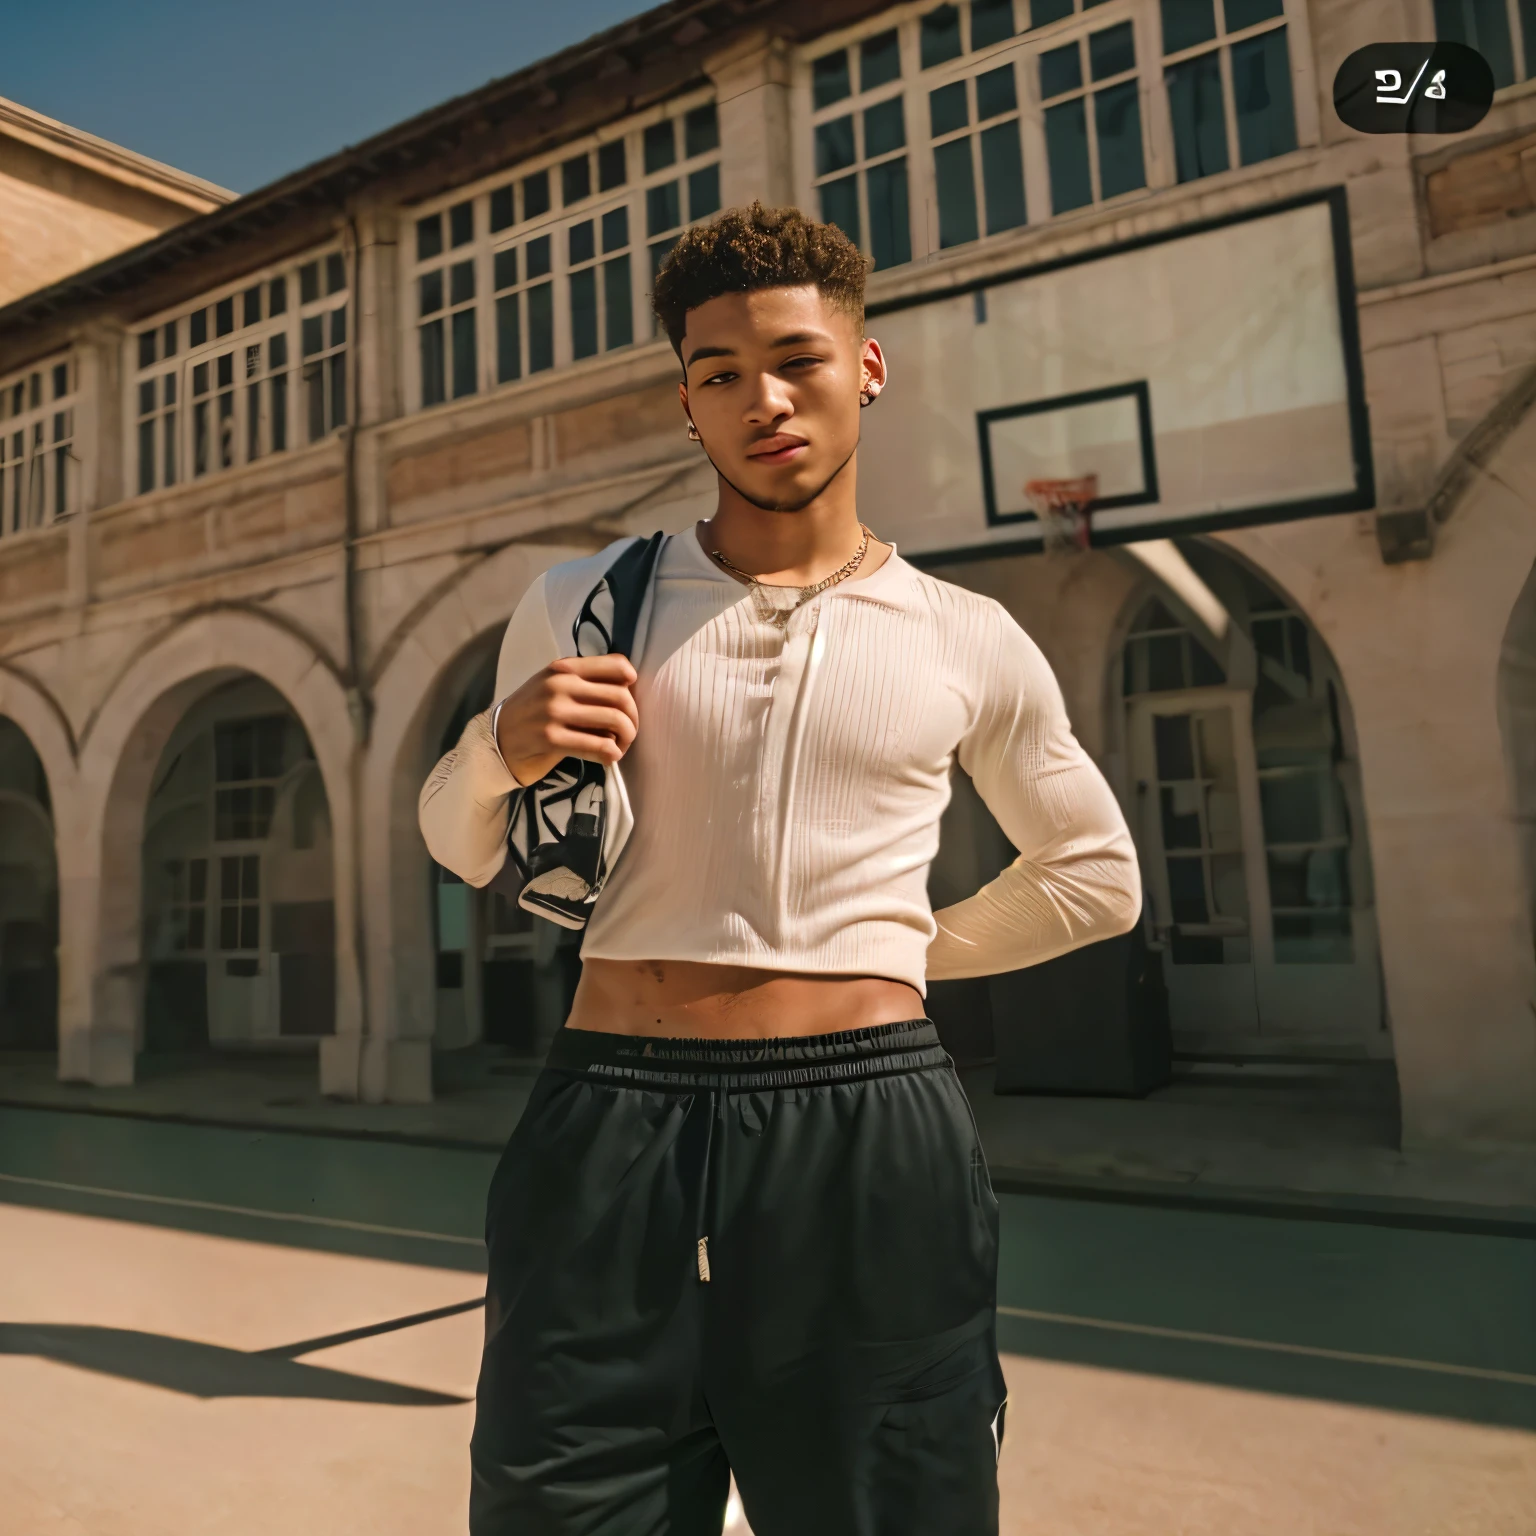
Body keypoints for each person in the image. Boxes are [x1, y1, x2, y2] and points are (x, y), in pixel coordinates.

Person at [419, 202, 1141, 1536]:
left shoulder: (963, 633)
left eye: (798, 361)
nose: (764, 401)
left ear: (866, 368)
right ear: (687, 404)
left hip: (865, 1130)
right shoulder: (582, 602)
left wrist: (890, 954)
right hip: (609, 1118)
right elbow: (461, 846)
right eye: (720, 374)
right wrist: (492, 751)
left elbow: (1096, 875)